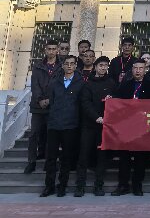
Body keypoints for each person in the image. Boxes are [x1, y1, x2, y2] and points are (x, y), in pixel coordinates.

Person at [40, 55, 84, 197]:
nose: (69, 66)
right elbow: (51, 102)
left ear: (76, 66)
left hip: (70, 125)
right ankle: (49, 186)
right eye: (67, 63)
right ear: (63, 65)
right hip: (54, 124)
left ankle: (62, 186)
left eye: (72, 64)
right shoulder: (55, 82)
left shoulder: (80, 83)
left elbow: (81, 104)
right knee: (51, 157)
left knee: (66, 157)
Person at [112, 60, 150, 196]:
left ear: (145, 70)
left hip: (143, 126)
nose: (138, 70)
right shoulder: (125, 85)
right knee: (124, 157)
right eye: (135, 68)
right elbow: (117, 103)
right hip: (127, 126)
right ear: (132, 70)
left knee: (140, 157)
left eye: (140, 68)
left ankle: (137, 185)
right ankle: (123, 185)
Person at [74, 55, 116, 196]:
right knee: (83, 156)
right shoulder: (87, 83)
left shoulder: (111, 83)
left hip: (105, 126)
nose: (103, 68)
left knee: (101, 157)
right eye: (101, 65)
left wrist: (112, 100)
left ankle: (99, 185)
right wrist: (96, 117)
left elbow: (118, 102)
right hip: (89, 125)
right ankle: (80, 186)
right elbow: (85, 103)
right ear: (96, 67)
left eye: (105, 66)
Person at [25, 38, 60, 174]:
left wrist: (50, 100)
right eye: (49, 49)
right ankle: (31, 161)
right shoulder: (38, 66)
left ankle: (49, 162)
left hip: (53, 106)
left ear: (57, 50)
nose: (51, 51)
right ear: (45, 50)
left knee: (52, 135)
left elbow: (59, 86)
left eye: (53, 49)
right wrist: (40, 99)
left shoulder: (61, 66)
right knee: (34, 134)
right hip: (37, 106)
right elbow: (35, 85)